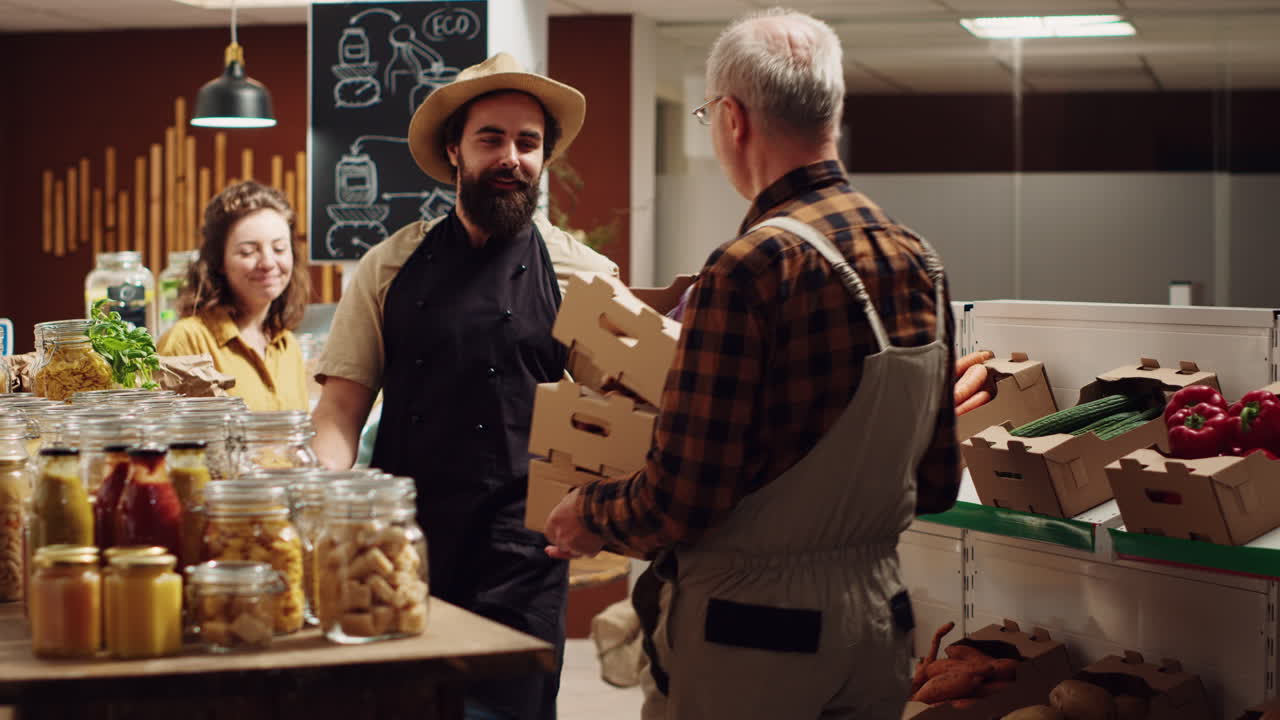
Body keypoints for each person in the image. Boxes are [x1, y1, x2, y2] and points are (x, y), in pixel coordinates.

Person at [543, 8, 962, 719]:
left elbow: (686, 497)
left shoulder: (750, 268)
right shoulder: (917, 256)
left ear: (733, 118)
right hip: (878, 629)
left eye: (709, 115)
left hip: (752, 637)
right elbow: (939, 479)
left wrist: (589, 512)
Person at [310, 52, 618, 720]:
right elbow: (340, 404)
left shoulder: (582, 273)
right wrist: (321, 498)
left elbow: (626, 409)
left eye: (528, 143)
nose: (511, 157)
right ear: (455, 151)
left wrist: (602, 505)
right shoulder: (387, 266)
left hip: (522, 557)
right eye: (491, 138)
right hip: (397, 549)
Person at [159, 180, 310, 412]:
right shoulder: (187, 340)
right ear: (219, 261)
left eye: (279, 248)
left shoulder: (288, 346)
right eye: (248, 251)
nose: (268, 263)